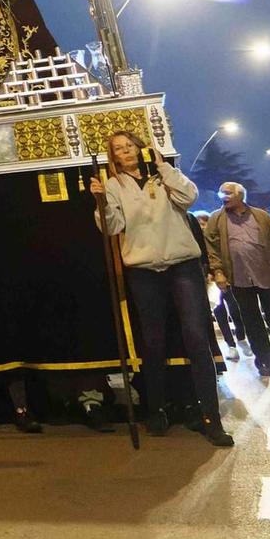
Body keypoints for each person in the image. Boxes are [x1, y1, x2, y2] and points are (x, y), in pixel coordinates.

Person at [89, 132, 232, 446]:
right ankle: (156, 410)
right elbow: (111, 227)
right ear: (113, 157)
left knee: (196, 338)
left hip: (182, 265)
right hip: (143, 271)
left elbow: (189, 197)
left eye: (129, 145)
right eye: (118, 149)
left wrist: (164, 167)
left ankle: (212, 417)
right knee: (153, 342)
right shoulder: (115, 185)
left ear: (140, 148)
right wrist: (100, 202)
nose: (125, 151)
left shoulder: (162, 177)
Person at [204, 181, 270, 378]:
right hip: (239, 279)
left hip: (267, 276)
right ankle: (263, 360)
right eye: (222, 193)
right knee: (251, 321)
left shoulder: (261, 217)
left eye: (229, 193)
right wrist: (219, 272)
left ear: (240, 195)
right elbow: (211, 249)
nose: (224, 196)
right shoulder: (216, 219)